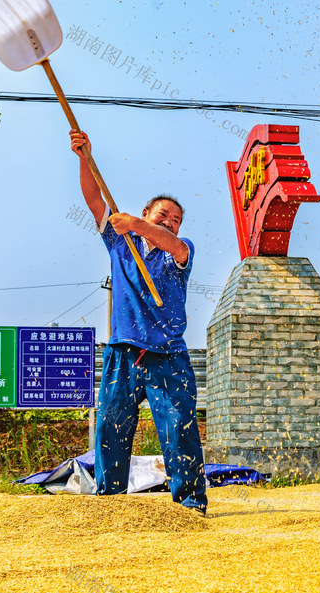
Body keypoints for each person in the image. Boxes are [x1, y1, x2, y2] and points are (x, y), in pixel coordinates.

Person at [70, 129, 208, 515]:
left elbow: (175, 245)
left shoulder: (177, 252)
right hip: (123, 353)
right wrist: (85, 158)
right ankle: (110, 505)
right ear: (146, 212)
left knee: (179, 430)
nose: (170, 222)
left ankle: (190, 506)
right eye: (163, 214)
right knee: (111, 431)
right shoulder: (120, 242)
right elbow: (95, 200)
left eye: (176, 219)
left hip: (169, 356)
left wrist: (137, 225)